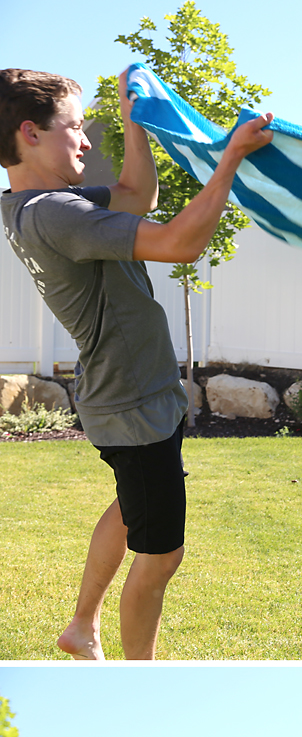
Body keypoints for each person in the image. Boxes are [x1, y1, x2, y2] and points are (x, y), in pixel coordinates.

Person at [0, 67, 274, 661]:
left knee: (133, 505)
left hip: (127, 392)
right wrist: (229, 161)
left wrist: (133, 123)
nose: (85, 140)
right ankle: (139, 680)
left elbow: (135, 197)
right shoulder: (55, 213)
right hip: (134, 404)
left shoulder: (33, 205)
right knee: (161, 553)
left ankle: (80, 626)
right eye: (75, 127)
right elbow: (178, 242)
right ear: (30, 133)